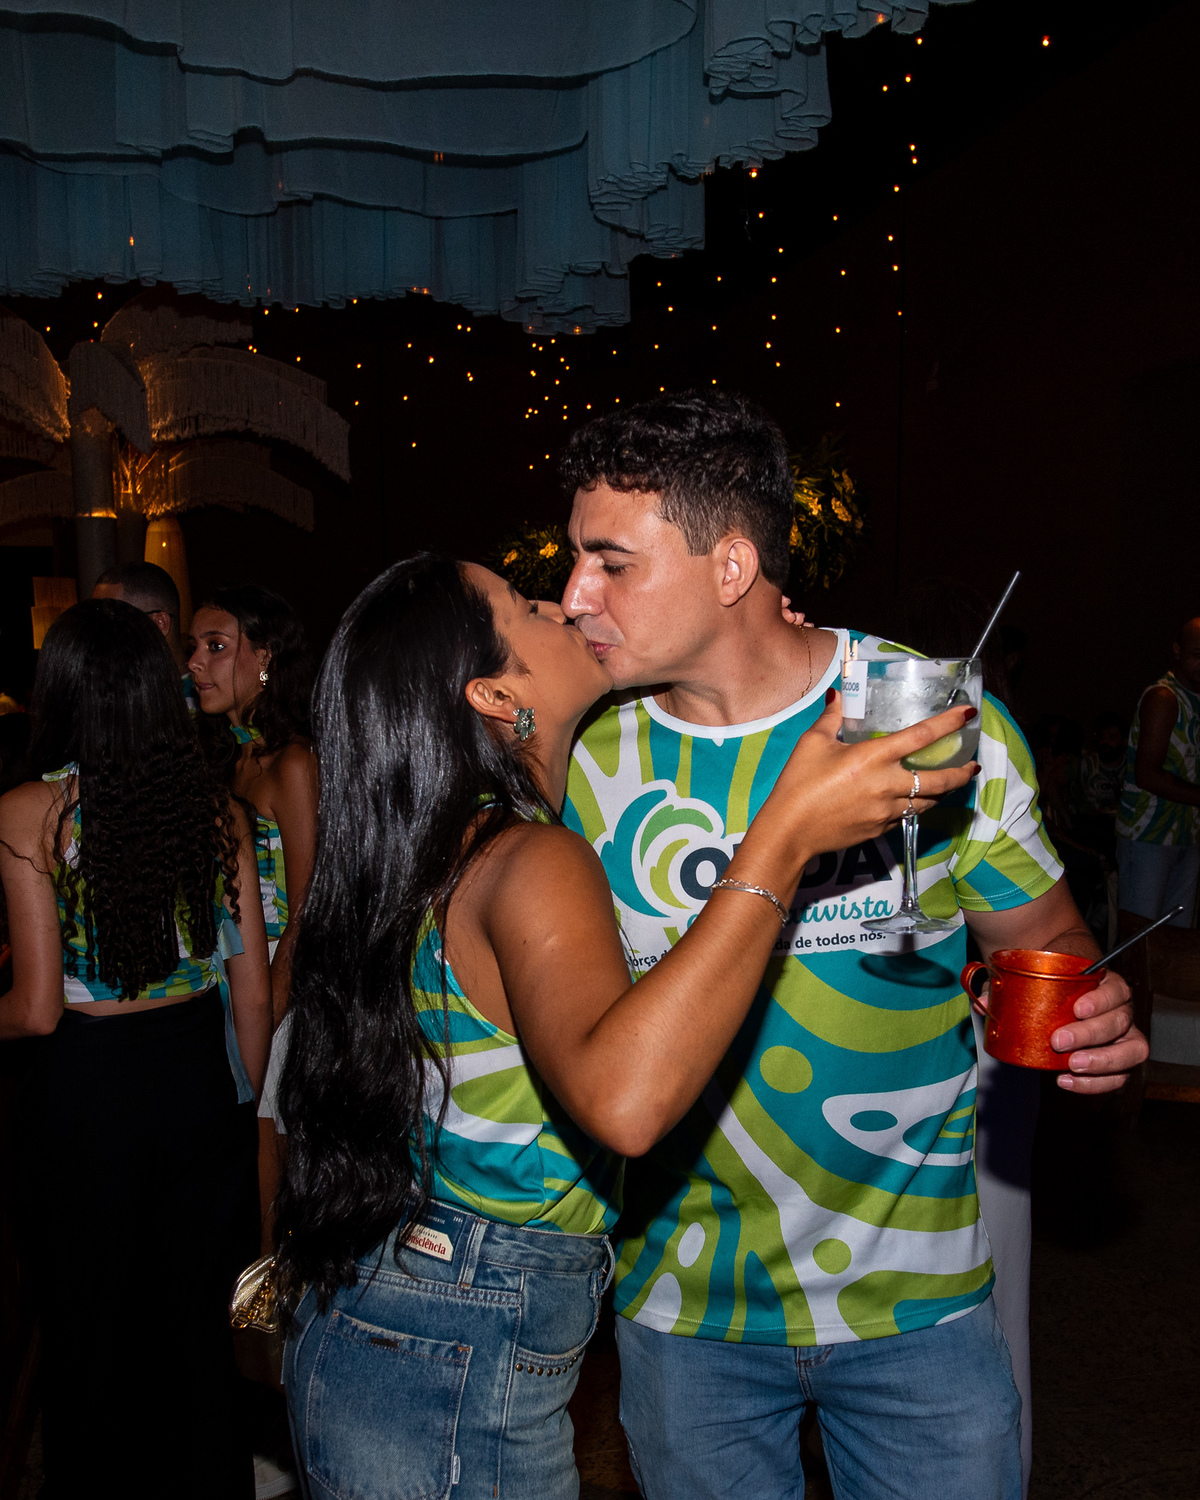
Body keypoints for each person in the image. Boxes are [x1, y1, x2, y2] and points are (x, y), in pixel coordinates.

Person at [273, 552, 978, 1500]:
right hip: (459, 1344)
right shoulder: (533, 858)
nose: (564, 602)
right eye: (526, 607)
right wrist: (784, 838)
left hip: (379, 1300)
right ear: (495, 694)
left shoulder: (425, 843)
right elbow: (627, 1101)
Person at [557, 390, 1147, 1500]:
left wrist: (1091, 1015)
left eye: (611, 562)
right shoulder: (584, 754)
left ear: (732, 567)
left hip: (919, 1305)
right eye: (575, 559)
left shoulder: (933, 719)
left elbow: (1053, 945)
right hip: (685, 1310)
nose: (575, 593)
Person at [0, 598, 272, 1499]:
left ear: (61, 691)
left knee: (90, 1336)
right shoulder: (218, 813)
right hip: (199, 1084)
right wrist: (237, 1114)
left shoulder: (32, 813)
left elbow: (36, 1009)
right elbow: (252, 990)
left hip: (90, 1093)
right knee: (197, 1340)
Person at [189, 585, 318, 1024]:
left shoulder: (294, 763)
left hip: (284, 987)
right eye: (193, 647)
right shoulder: (221, 761)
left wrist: (267, 1015)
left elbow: (308, 906)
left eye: (216, 646)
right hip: (223, 981)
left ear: (264, 657)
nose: (195, 662)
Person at [1115, 619, 1200, 927]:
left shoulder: (1195, 699)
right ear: (1177, 651)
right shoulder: (1164, 697)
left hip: (1188, 833)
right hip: (1149, 834)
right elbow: (1147, 775)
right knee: (1140, 936)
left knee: (1175, 940)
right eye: (1197, 655)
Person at [93, 559, 197, 708]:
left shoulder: (200, 700)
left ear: (158, 624)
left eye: (113, 621)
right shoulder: (127, 690)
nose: (100, 634)